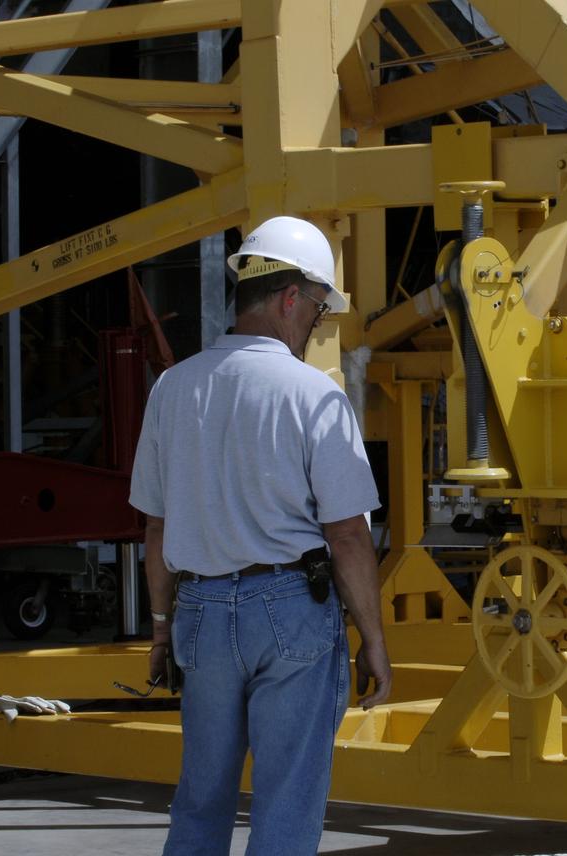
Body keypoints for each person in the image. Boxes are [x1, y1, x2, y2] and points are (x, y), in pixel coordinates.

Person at [128, 216, 392, 855]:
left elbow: (156, 528)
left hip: (201, 615)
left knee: (199, 802)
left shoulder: (173, 388)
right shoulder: (313, 396)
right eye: (319, 310)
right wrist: (374, 641)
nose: (316, 327)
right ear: (290, 298)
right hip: (289, 610)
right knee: (287, 804)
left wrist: (163, 629)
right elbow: (348, 535)